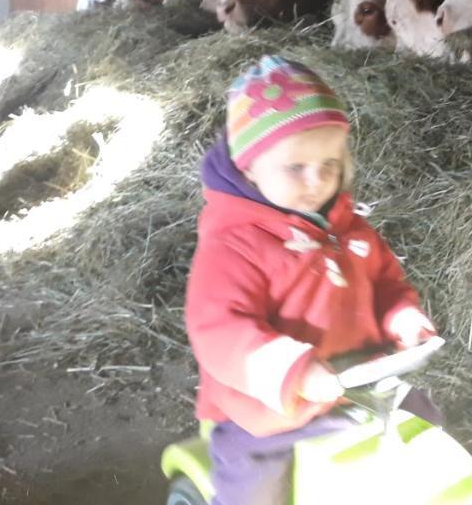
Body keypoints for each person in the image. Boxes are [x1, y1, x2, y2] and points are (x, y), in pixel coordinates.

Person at [185, 55, 439, 504]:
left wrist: (404, 320)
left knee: (427, 428)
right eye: (295, 167)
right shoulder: (233, 244)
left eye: (330, 163)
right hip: (271, 411)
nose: (317, 180)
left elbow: (387, 285)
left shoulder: (349, 228)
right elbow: (219, 329)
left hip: (361, 386)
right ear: (249, 167)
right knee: (253, 483)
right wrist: (295, 372)